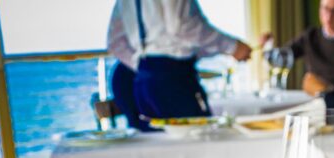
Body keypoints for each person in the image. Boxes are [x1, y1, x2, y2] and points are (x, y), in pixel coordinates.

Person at [107, 0, 252, 122]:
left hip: (143, 82)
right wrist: (231, 46)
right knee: (198, 142)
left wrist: (146, 67)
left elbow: (115, 42)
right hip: (173, 80)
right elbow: (182, 26)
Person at [263, 0, 334, 91]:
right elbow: (281, 56)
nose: (329, 16)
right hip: (315, 101)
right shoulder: (310, 37)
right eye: (325, 9)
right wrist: (267, 46)